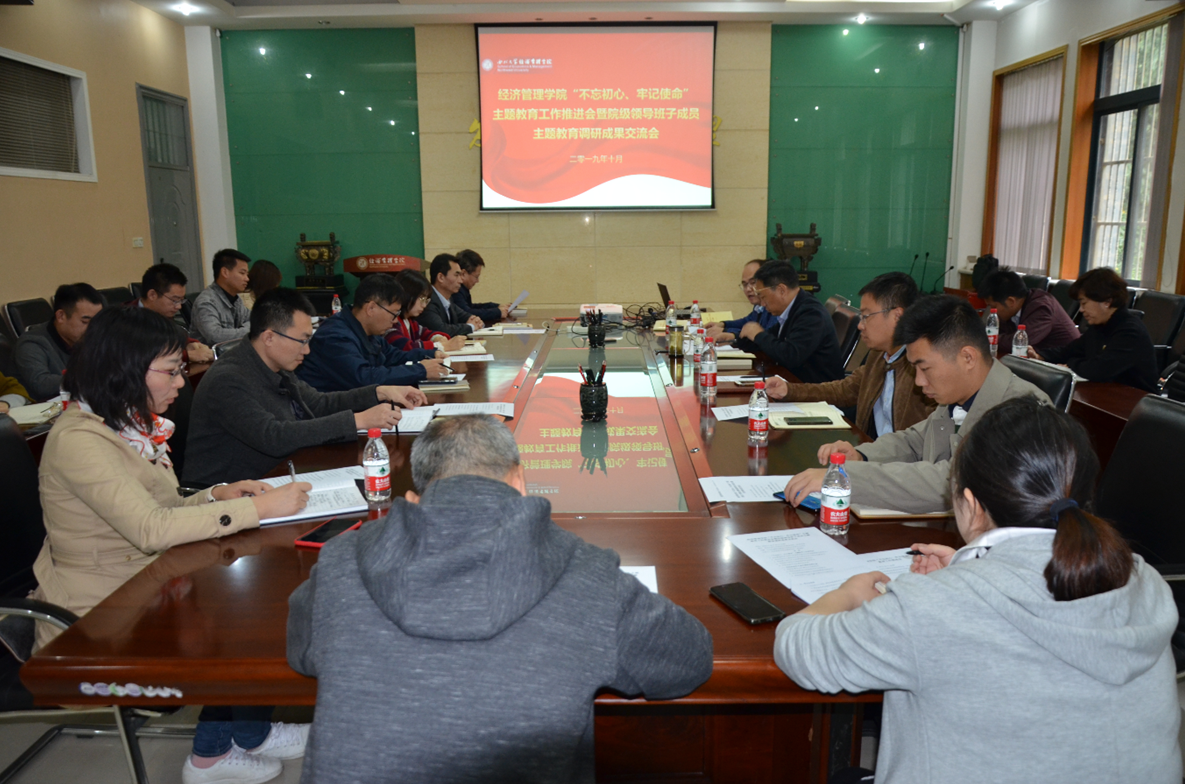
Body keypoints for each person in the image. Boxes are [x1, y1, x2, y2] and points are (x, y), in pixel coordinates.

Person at [287, 415, 714, 784]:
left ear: (415, 500)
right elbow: (688, 660)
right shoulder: (590, 575)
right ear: (519, 482)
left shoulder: (341, 560)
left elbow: (300, 651)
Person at [773, 397, 1180, 784]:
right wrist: (971, 570)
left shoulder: (934, 608)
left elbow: (798, 649)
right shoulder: (1142, 579)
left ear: (970, 503)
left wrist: (847, 594)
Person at [25, 307, 312, 784]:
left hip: (145, 580)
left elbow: (162, 506)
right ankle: (208, 758)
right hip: (98, 610)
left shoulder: (124, 425)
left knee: (261, 591)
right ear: (124, 369)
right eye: (171, 371)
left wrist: (218, 494)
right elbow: (150, 529)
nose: (181, 382)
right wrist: (259, 509)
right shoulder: (79, 440)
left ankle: (251, 731)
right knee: (240, 615)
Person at [783, 295, 1048, 514]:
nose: (919, 382)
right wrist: (862, 456)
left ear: (967, 357)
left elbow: (951, 482)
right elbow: (915, 441)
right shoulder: (957, 396)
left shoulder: (1022, 411)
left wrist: (850, 479)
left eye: (925, 368)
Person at [183, 288, 426, 487]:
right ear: (269, 337)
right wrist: (358, 421)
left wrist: (379, 392)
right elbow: (273, 436)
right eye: (302, 340)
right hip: (227, 496)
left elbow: (318, 403)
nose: (307, 350)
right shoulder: (228, 379)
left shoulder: (277, 365)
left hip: (276, 477)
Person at [764, 272, 935, 437]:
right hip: (870, 448)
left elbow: (924, 441)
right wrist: (789, 390)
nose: (860, 325)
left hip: (896, 456)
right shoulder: (878, 355)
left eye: (866, 316)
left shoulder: (923, 369)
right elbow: (845, 390)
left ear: (897, 316)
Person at [298, 273, 450, 391]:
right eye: (394, 314)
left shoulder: (368, 331)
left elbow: (394, 356)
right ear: (371, 308)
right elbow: (364, 378)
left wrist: (430, 354)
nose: (395, 321)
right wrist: (421, 370)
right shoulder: (334, 336)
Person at [1034, 267, 1159, 392]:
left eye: (1084, 303)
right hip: (1106, 393)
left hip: (1136, 399)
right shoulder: (1100, 326)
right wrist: (1040, 355)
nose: (1081, 310)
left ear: (1107, 302)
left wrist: (1071, 364)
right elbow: (1070, 350)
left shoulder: (1130, 331)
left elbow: (1099, 370)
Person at [734, 260, 844, 384]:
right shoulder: (792, 309)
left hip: (816, 390)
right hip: (795, 382)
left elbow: (790, 356)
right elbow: (769, 340)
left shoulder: (811, 314)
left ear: (782, 290)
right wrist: (738, 338)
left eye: (763, 297)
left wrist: (758, 335)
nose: (763, 304)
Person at [14, 283, 103, 401]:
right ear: (61, 316)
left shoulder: (91, 337)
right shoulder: (31, 343)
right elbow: (41, 383)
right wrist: (91, 379)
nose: (92, 328)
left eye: (96, 322)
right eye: (85, 322)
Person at [976, 267, 1079, 354]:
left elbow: (1020, 343)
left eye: (993, 306)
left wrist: (989, 338)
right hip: (1037, 361)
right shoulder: (1011, 309)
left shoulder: (1041, 308)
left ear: (1011, 301)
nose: (992, 311)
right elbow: (999, 335)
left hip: (1065, 363)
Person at [134, 263, 215, 363]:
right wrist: (186, 355)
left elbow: (172, 337)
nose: (179, 306)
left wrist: (189, 344)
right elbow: (143, 353)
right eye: (175, 300)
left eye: (181, 300)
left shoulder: (162, 313)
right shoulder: (125, 320)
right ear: (152, 295)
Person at [386, 270, 467, 353]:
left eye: (426, 301)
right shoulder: (392, 322)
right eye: (422, 299)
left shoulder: (410, 321)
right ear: (408, 295)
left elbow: (425, 333)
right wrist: (441, 346)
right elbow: (407, 348)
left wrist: (437, 338)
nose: (424, 305)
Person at [704, 259, 778, 344]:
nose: (748, 289)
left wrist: (727, 331)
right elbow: (747, 322)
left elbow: (765, 336)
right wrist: (723, 324)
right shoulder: (758, 305)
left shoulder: (774, 306)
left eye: (753, 282)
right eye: (745, 284)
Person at [192, 248, 252, 346]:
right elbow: (215, 336)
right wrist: (250, 331)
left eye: (247, 274)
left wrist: (248, 328)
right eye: (242, 273)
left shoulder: (236, 299)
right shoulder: (206, 302)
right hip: (211, 355)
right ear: (225, 272)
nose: (247, 279)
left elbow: (255, 319)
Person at [418, 253, 485, 337]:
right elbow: (442, 330)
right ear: (441, 277)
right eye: (456, 275)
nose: (461, 280)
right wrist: (471, 327)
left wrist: (476, 321)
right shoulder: (428, 301)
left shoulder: (448, 299)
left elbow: (465, 316)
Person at [454, 249, 512, 324]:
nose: (477, 281)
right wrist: (497, 312)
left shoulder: (463, 289)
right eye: (476, 277)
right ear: (463, 273)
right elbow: (467, 313)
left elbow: (471, 307)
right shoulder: (455, 289)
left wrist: (497, 307)